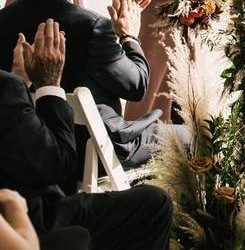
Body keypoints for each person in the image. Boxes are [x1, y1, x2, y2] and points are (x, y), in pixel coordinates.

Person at [0, 0, 176, 174]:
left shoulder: (3, 20)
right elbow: (136, 86)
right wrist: (129, 35)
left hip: (28, 150)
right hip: (91, 154)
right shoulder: (93, 26)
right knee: (192, 136)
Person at [0, 18, 172, 249]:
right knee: (156, 201)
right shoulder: (96, 26)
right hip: (34, 216)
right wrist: (49, 84)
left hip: (27, 187)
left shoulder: (7, 18)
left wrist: (19, 84)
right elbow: (58, 166)